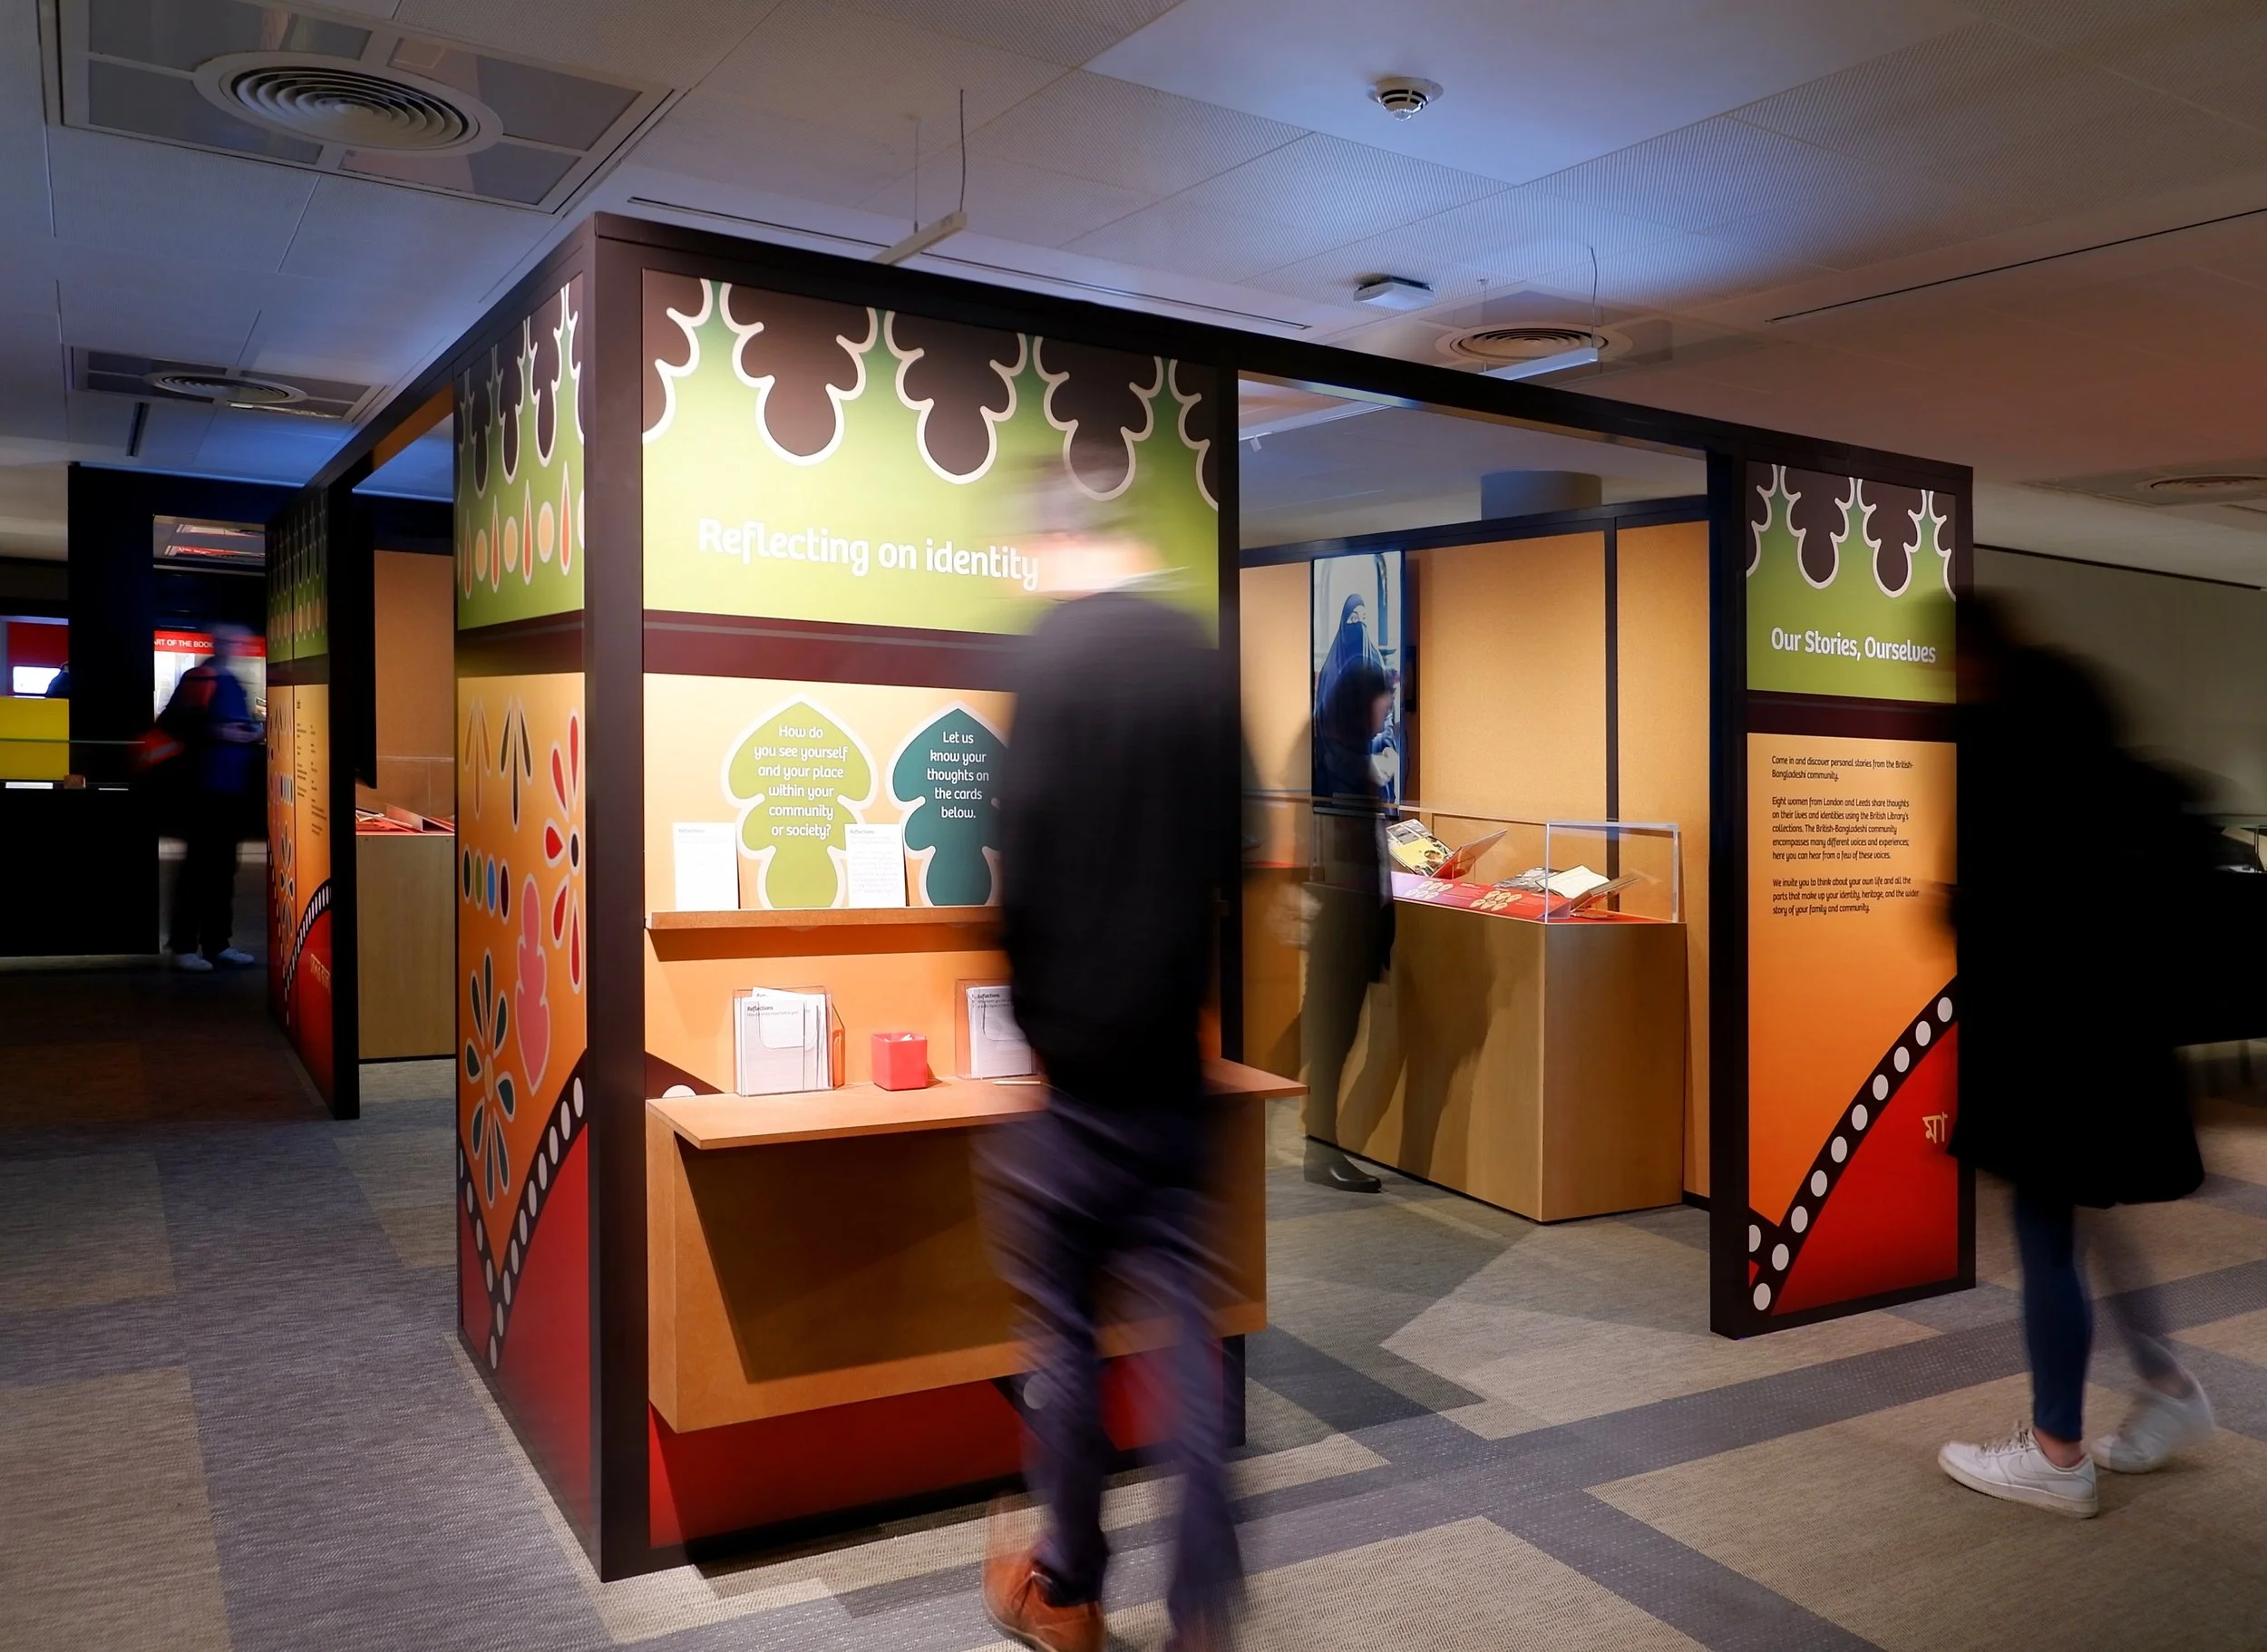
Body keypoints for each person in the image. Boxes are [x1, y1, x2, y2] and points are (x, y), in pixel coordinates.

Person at [980, 532, 1243, 1652]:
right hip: (1171, 1072)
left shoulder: (1051, 659)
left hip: (1079, 1077)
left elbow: (1019, 855)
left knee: (1066, 1335)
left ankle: (1073, 1591)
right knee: (1192, 1344)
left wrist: (1035, 1020)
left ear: (1054, 547)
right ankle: (1198, 1610)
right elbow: (1243, 844)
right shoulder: (1196, 656)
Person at [1937, 595, 2213, 1518]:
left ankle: (2057, 1447)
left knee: (2049, 1220)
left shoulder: (2000, 742)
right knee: (2081, 1213)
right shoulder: (2083, 716)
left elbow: (1995, 898)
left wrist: (1957, 905)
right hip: (2111, 1028)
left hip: (2046, 1035)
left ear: (1968, 658)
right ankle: (2167, 1389)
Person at [1300, 655, 1395, 1192]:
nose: (1388, 708)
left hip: (1349, 916)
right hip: (1342, 919)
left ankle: (1320, 1144)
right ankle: (1321, 1150)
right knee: (1327, 1037)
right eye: (1383, 697)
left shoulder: (1346, 750)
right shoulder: (1337, 757)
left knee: (1323, 1035)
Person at [160, 626, 261, 972]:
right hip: (205, 790)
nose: (237, 647)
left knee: (222, 869)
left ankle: (217, 943)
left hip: (230, 791)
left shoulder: (230, 682)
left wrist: (250, 732)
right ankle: (185, 945)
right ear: (219, 643)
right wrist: (220, 732)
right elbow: (174, 724)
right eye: (232, 641)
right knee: (200, 868)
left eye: (241, 643)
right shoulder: (200, 677)